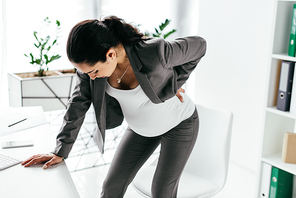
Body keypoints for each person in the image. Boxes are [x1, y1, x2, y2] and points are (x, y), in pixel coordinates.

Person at [21, 15, 206, 198]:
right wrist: (60, 150)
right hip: (141, 129)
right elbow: (78, 103)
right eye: (85, 73)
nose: (90, 77)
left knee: (161, 192)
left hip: (179, 124)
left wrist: (173, 84)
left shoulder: (154, 51)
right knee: (111, 188)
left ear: (111, 54)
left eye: (93, 72)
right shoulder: (91, 69)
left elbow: (199, 45)